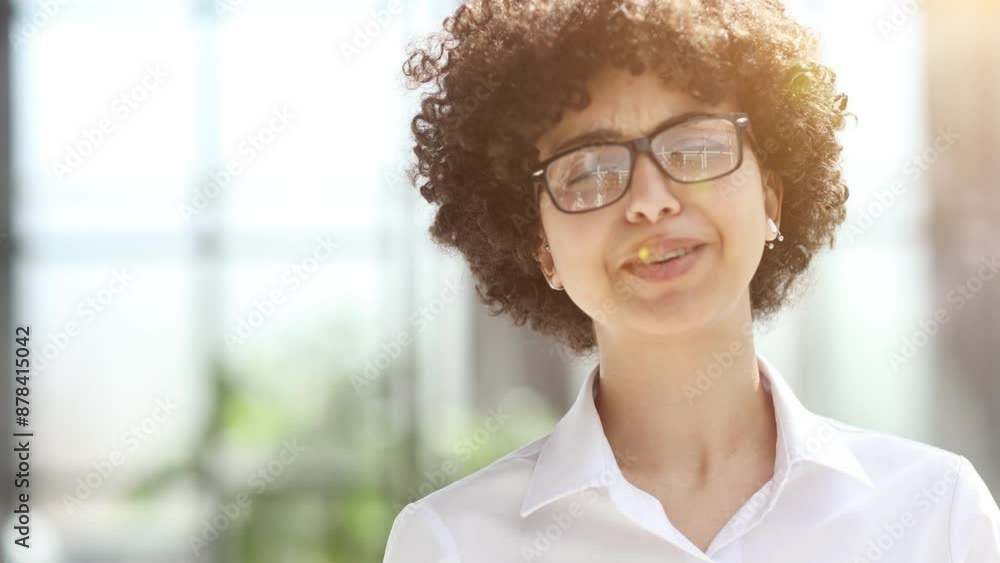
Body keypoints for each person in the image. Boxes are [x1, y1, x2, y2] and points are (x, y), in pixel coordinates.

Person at [384, 0, 1000, 561]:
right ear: (541, 248)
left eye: (698, 149)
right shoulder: (454, 541)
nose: (651, 202)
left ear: (771, 198)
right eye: (590, 171)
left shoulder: (936, 515)